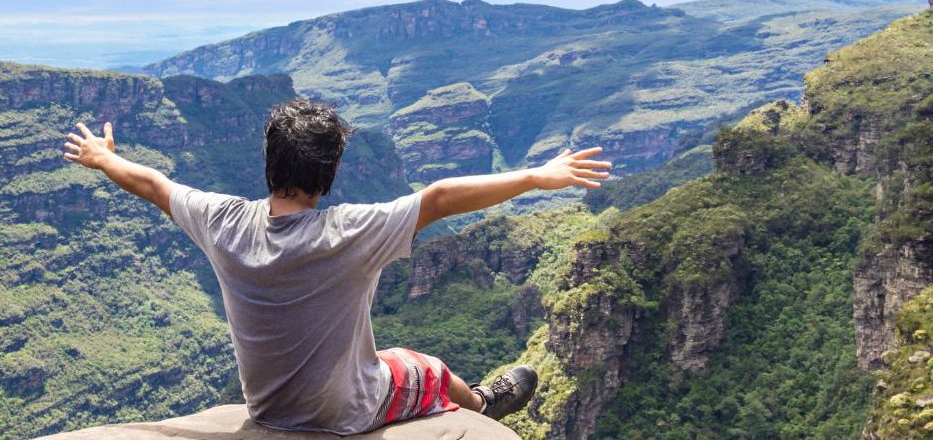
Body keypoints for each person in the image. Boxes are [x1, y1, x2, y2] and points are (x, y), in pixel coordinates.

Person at [63, 98, 611, 434]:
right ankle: (485, 406)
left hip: (269, 410)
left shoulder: (221, 222)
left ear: (268, 162)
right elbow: (441, 196)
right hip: (347, 415)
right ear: (328, 176)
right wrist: (536, 177)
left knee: (387, 355)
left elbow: (155, 185)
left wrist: (103, 157)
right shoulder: (348, 231)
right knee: (426, 365)